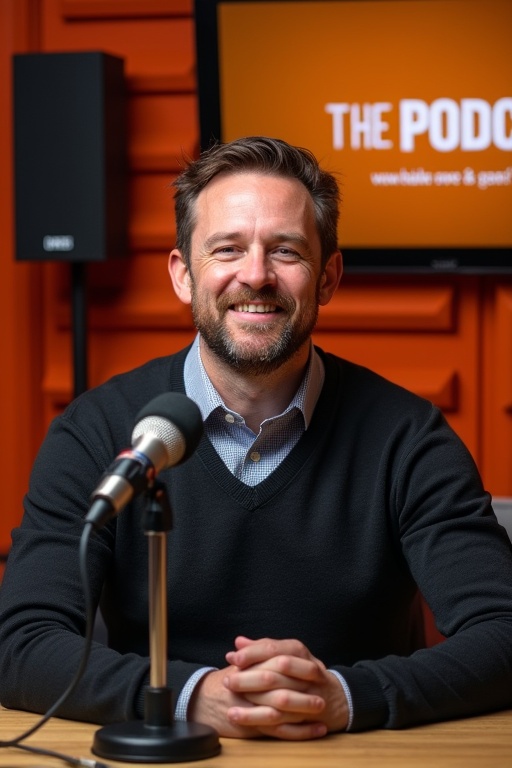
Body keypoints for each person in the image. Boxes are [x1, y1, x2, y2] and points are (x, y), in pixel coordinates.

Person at [0, 136, 511, 740]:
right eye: (227, 248)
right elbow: (22, 644)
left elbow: (503, 629)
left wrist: (347, 697)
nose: (256, 275)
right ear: (184, 275)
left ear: (327, 277)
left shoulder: (408, 437)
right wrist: (191, 697)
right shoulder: (99, 433)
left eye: (286, 250)